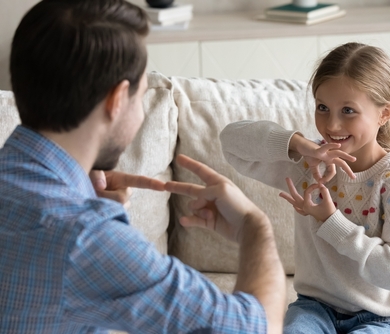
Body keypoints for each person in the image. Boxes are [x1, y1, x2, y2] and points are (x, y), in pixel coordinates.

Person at [0, 0, 285, 333]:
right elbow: (257, 326)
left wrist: (80, 191)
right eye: (141, 97)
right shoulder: (87, 239)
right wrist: (255, 226)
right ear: (117, 99)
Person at [220, 42, 390, 333]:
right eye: (323, 107)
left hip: (385, 315)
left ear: (384, 114)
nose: (332, 125)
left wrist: (331, 221)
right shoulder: (307, 164)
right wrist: (298, 144)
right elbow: (230, 142)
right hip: (315, 307)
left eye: (348, 110)